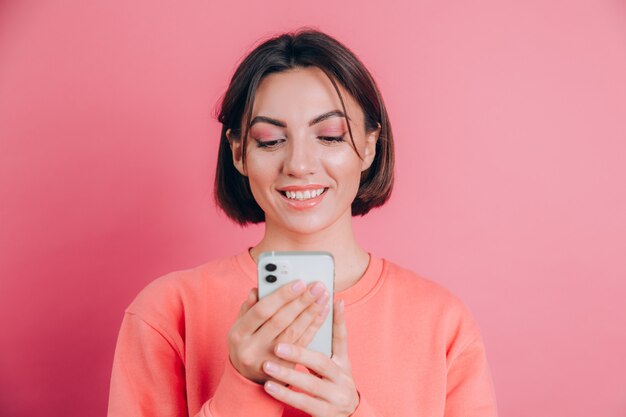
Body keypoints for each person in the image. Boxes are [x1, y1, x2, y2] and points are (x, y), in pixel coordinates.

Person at [107, 28, 498, 417]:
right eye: (271, 140)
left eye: (329, 136)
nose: (299, 165)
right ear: (239, 153)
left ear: (368, 146)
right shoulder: (167, 313)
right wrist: (243, 387)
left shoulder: (442, 322)